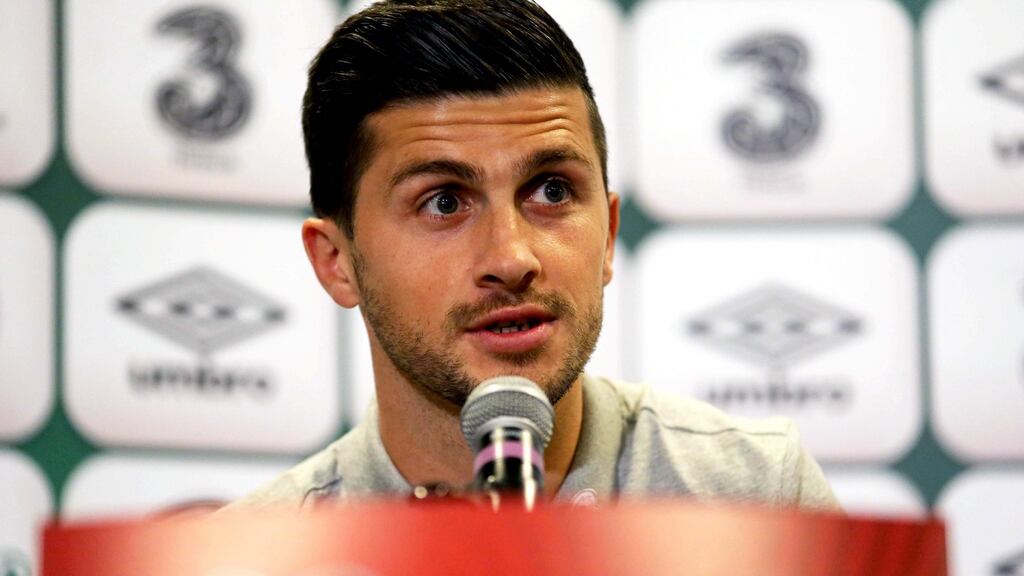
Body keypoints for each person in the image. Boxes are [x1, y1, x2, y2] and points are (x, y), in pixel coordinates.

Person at [234, 0, 838, 510]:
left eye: (552, 190)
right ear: (336, 261)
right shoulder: (252, 558)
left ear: (606, 235)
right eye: (444, 203)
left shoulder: (760, 498)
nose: (512, 256)